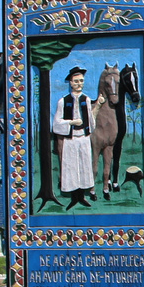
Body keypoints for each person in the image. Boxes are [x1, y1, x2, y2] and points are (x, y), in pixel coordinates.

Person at [52, 66, 96, 206]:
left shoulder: (86, 99)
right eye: (76, 81)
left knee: (84, 166)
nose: (79, 84)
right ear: (70, 82)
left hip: (83, 137)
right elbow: (56, 123)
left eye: (81, 81)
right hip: (70, 138)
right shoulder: (63, 101)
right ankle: (73, 197)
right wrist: (71, 122)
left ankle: (82, 196)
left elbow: (90, 118)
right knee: (71, 166)